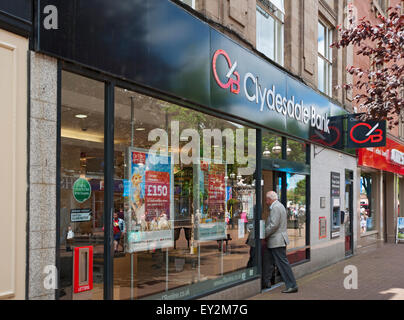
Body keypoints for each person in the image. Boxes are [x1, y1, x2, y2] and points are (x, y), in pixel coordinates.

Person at [262, 191, 298, 293]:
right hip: (276, 240)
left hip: (277, 241)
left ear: (270, 199)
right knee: (270, 261)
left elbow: (274, 225)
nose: (266, 202)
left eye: (266, 199)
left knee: (282, 264)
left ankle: (292, 285)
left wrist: (263, 234)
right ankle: (266, 282)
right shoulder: (279, 206)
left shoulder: (276, 207)